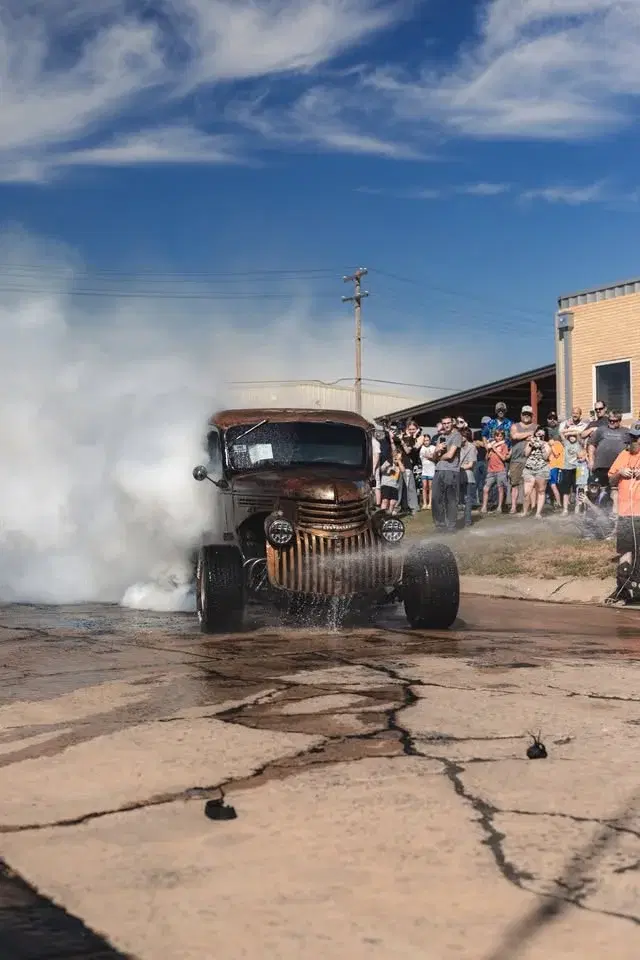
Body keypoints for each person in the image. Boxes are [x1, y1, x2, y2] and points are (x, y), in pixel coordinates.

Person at [605, 421, 640, 605]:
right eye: (631, 437)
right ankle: (623, 589)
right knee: (625, 551)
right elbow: (611, 480)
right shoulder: (624, 454)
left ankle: (637, 590)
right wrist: (620, 473)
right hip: (626, 513)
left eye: (635, 438)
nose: (632, 441)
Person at [587, 410, 630, 512]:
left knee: (614, 492)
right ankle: (596, 514)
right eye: (610, 420)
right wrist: (591, 460)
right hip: (601, 466)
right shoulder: (601, 430)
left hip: (618, 468)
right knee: (598, 491)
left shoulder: (626, 432)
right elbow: (591, 444)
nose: (611, 423)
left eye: (614, 421)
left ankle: (613, 515)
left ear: (619, 421)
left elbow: (632, 446)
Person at [431, 415, 463, 533]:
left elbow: (450, 455)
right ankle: (440, 524)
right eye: (444, 423)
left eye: (448, 423)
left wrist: (439, 457)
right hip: (439, 470)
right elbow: (434, 458)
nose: (446, 425)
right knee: (436, 498)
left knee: (451, 499)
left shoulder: (457, 436)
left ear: (452, 423)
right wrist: (436, 450)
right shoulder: (441, 438)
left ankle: (451, 526)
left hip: (451, 471)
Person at [509, 405, 537, 514]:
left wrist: (524, 436)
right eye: (524, 414)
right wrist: (529, 434)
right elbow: (515, 436)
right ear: (521, 414)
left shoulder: (536, 426)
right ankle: (513, 507)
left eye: (528, 414)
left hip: (531, 459)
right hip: (516, 459)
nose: (526, 416)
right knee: (514, 484)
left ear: (532, 416)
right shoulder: (514, 426)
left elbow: (537, 438)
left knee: (531, 484)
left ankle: (532, 507)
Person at [521, 426, 550, 519]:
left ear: (545, 436)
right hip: (529, 469)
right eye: (538, 434)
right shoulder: (530, 442)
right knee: (527, 492)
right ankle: (525, 512)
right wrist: (530, 444)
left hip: (542, 469)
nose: (539, 437)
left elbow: (546, 457)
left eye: (542, 435)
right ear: (535, 434)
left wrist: (542, 446)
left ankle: (538, 513)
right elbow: (526, 454)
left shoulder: (546, 444)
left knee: (541, 491)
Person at [481, 428, 510, 514]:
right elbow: (486, 458)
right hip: (491, 470)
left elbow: (504, 458)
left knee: (500, 489)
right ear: (494, 437)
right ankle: (484, 506)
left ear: (503, 437)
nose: (499, 438)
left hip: (500, 470)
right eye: (497, 436)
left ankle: (499, 507)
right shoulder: (491, 445)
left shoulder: (504, 446)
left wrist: (495, 449)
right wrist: (488, 452)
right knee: (485, 489)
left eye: (501, 436)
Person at [559, 430, 584, 515]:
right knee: (566, 490)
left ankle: (577, 509)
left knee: (577, 489)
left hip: (578, 469)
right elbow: (561, 432)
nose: (572, 437)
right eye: (570, 436)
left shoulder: (579, 443)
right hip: (567, 468)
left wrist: (576, 432)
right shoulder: (566, 443)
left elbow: (579, 435)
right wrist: (570, 432)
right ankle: (565, 509)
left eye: (574, 436)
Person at [459, 428, 478, 527]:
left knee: (467, 499)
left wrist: (458, 467)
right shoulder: (457, 447)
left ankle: (467, 521)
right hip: (458, 475)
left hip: (468, 475)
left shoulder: (472, 447)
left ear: (466, 436)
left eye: (461, 436)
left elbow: (470, 464)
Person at [379, 449, 405, 514]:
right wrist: (386, 466)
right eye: (395, 456)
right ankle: (383, 515)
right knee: (385, 500)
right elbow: (381, 469)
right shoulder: (388, 461)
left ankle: (389, 515)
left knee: (393, 502)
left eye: (399, 457)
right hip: (386, 484)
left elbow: (403, 470)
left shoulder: (400, 464)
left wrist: (399, 461)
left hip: (394, 486)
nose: (397, 458)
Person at [547, 432, 564, 509]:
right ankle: (558, 502)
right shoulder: (560, 444)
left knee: (553, 485)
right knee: (555, 485)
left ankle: (559, 503)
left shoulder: (556, 444)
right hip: (556, 467)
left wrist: (552, 445)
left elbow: (556, 454)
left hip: (553, 467)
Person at [419, 434, 435, 509]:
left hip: (432, 470)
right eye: (424, 440)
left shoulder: (433, 447)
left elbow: (433, 457)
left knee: (431, 487)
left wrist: (430, 456)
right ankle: (424, 503)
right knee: (424, 486)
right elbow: (425, 455)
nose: (426, 442)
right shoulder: (421, 448)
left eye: (427, 440)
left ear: (430, 440)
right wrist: (429, 456)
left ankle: (430, 503)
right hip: (424, 470)